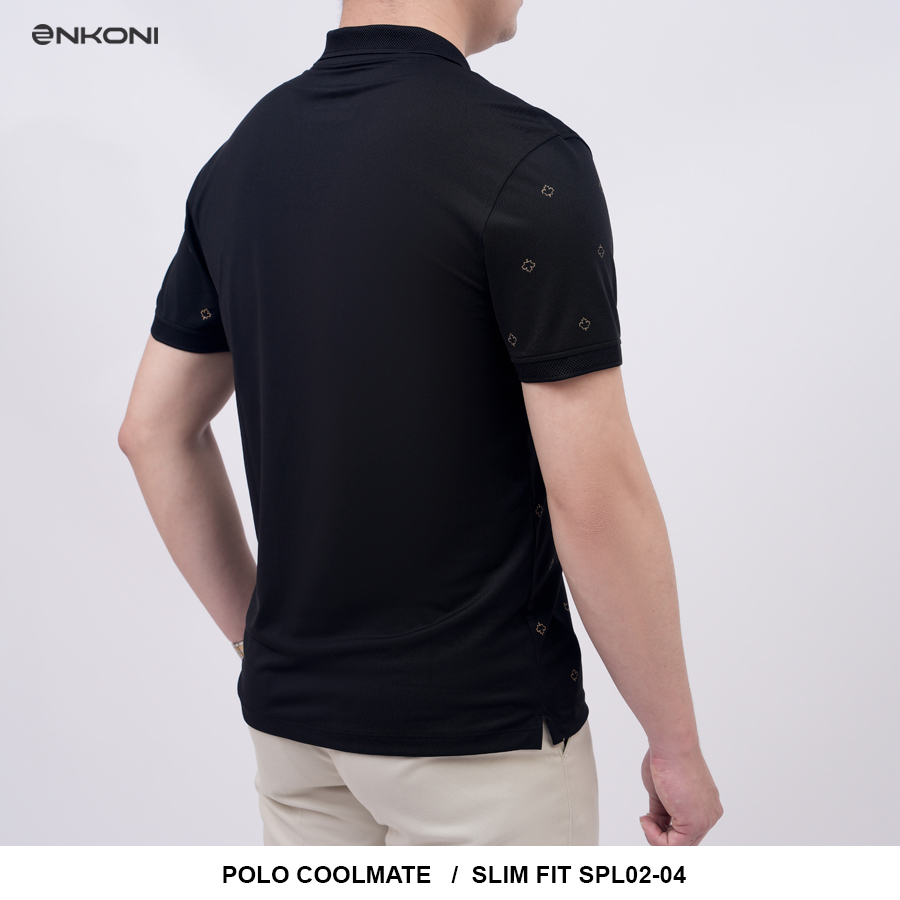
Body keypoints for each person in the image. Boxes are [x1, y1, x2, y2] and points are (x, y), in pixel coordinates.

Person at [118, 0, 722, 846]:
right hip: (481, 745)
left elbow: (152, 431)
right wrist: (676, 746)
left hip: (297, 743)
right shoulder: (525, 160)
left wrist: (265, 648)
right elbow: (594, 497)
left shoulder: (243, 157)